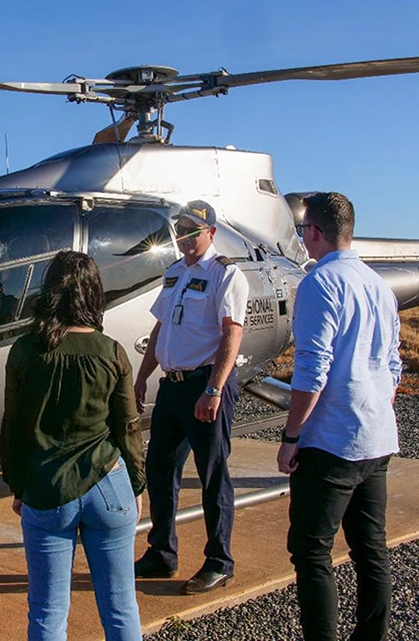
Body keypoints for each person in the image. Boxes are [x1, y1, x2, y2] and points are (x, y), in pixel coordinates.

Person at [0, 251, 146, 641]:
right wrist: (137, 484)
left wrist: (17, 485)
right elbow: (128, 427)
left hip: (46, 488)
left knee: (47, 613)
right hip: (109, 485)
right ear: (94, 293)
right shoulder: (111, 351)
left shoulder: (25, 350)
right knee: (121, 608)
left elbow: (12, 428)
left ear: (50, 291)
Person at [277, 192, 401, 641]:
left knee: (311, 552)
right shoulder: (379, 285)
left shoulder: (319, 283)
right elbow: (393, 363)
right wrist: (374, 406)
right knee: (370, 548)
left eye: (302, 230)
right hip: (377, 437)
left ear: (314, 231)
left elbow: (312, 369)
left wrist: (292, 436)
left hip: (331, 442)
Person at [133, 200, 249, 595]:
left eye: (191, 231)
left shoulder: (225, 274)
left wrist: (214, 389)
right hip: (172, 385)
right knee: (160, 469)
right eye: (179, 231)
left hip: (205, 384)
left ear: (210, 233)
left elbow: (232, 333)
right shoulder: (175, 272)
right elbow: (161, 328)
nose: (183, 238)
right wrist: (142, 377)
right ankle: (162, 553)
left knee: (212, 474)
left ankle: (219, 562)